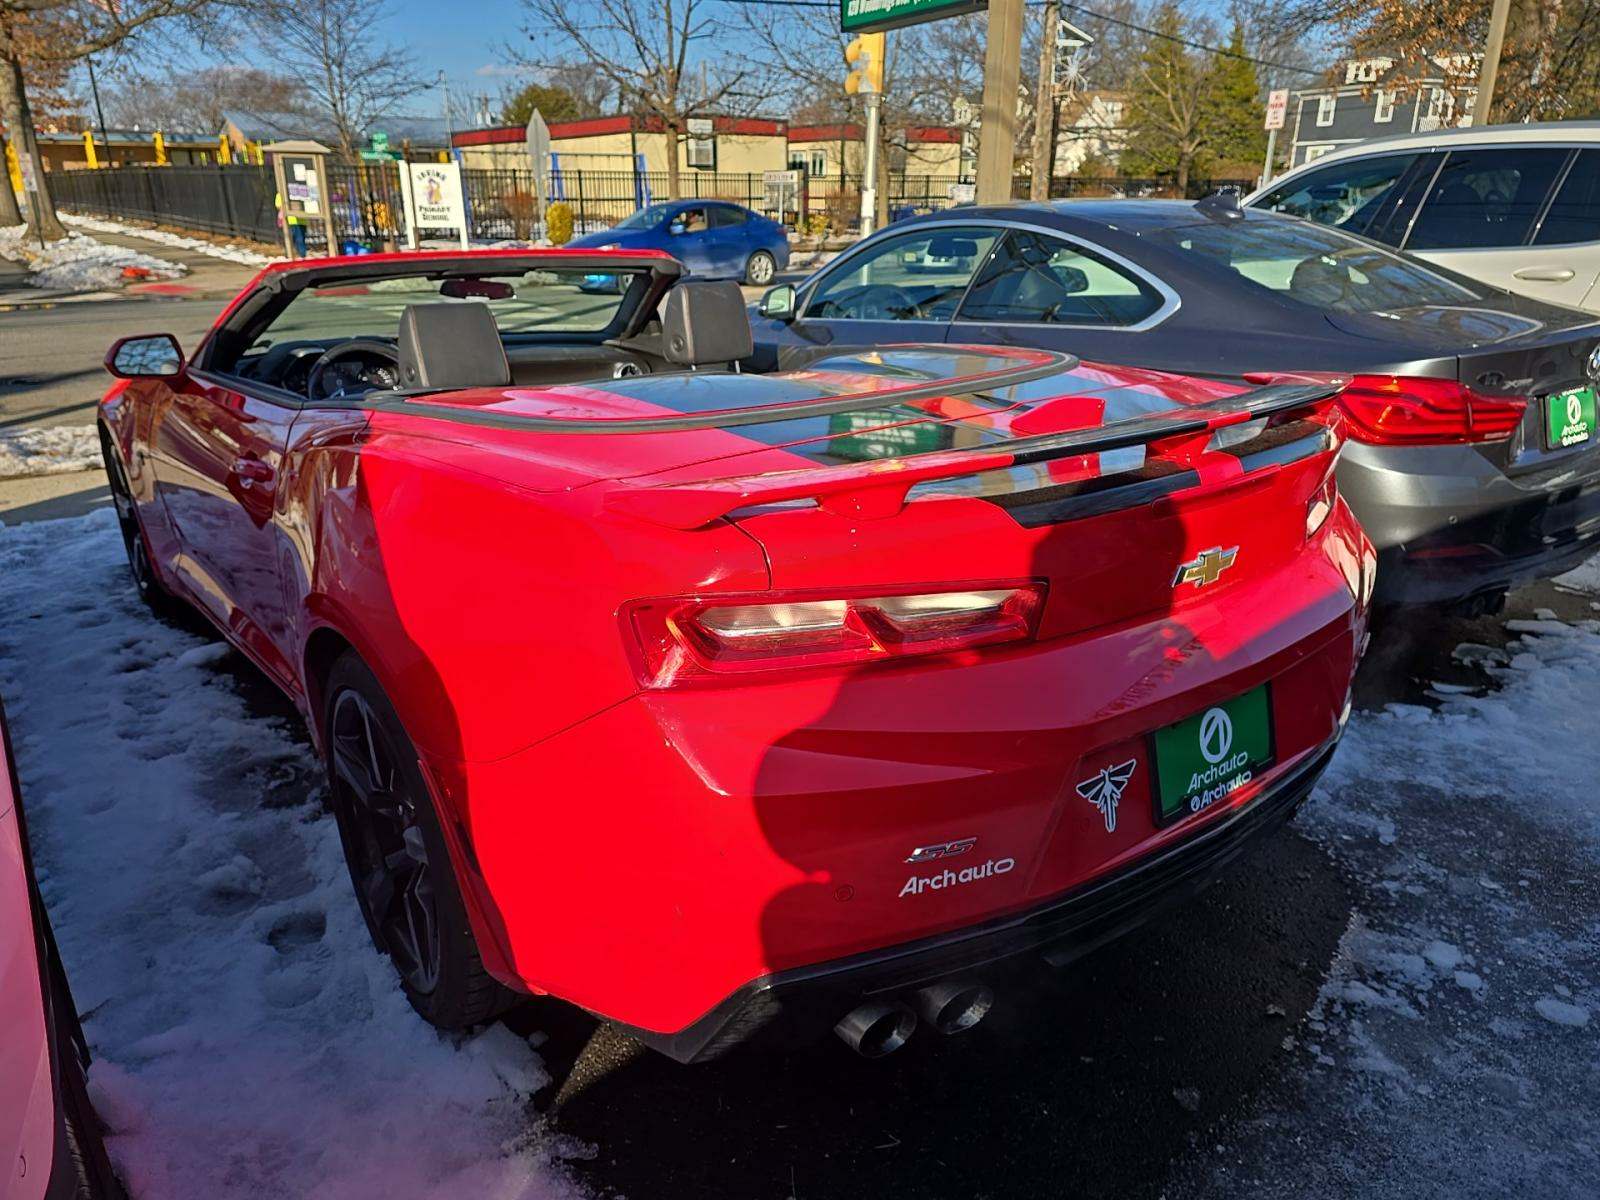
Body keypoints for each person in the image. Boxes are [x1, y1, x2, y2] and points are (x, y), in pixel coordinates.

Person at [275, 190, 307, 257]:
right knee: (300, 238)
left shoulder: (282, 191)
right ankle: (301, 254)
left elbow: (278, 205)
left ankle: (299, 254)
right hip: (297, 219)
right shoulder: (301, 190)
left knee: (297, 238)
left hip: (294, 219)